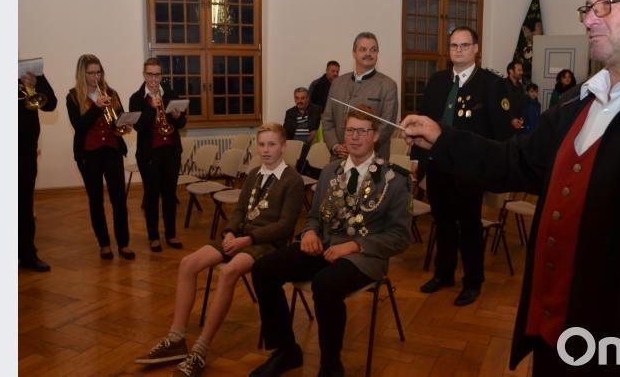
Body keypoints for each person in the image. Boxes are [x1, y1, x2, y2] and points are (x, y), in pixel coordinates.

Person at [402, 0, 620, 376]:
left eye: (606, 4)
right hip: (555, 335)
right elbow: (513, 161)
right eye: (587, 7)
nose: (588, 18)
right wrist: (440, 138)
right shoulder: (578, 101)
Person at [250, 105, 411, 377]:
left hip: (365, 256)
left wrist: (355, 245)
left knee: (325, 285)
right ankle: (286, 350)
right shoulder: (329, 172)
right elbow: (314, 216)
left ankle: (331, 366)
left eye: (362, 131)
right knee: (263, 268)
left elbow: (400, 237)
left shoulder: (394, 180)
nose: (355, 137)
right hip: (324, 246)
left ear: (376, 135)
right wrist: (311, 232)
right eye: (350, 130)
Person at [135, 123, 304, 377]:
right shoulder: (254, 173)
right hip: (241, 237)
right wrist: (229, 232)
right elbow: (238, 212)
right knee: (187, 264)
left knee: (228, 272)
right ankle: (176, 339)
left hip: (267, 244)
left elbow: (285, 226)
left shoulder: (293, 180)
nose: (266, 150)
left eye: (272, 144)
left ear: (283, 147)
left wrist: (247, 239)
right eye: (261, 144)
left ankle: (200, 351)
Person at [411, 26, 512, 306]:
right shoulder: (438, 81)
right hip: (438, 165)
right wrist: (417, 160)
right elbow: (423, 123)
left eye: (465, 45)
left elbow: (500, 134)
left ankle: (473, 281)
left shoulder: (491, 84)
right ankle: (444, 274)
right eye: (454, 45)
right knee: (442, 223)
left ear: (476, 49)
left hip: (470, 169)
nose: (459, 50)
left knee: (469, 226)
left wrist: (489, 167)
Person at [66, 54, 135, 260]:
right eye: (91, 73)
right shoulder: (73, 96)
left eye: (99, 72)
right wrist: (96, 107)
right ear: (82, 74)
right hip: (89, 155)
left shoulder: (111, 93)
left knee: (119, 199)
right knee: (96, 200)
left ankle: (123, 243)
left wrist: (124, 124)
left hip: (112, 150)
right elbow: (79, 126)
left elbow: (117, 119)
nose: (96, 76)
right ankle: (104, 244)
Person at [129, 57, 187, 252]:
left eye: (157, 74)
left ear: (161, 75)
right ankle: (153, 236)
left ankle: (171, 233)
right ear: (144, 75)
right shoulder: (136, 98)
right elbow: (138, 126)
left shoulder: (170, 94)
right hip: (149, 155)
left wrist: (179, 116)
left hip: (171, 152)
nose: (154, 79)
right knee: (152, 196)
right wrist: (150, 108)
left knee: (170, 195)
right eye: (150, 74)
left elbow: (180, 124)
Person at [322, 32, 398, 159]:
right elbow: (327, 120)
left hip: (372, 161)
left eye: (373, 50)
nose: (368, 53)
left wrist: (355, 146)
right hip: (338, 158)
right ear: (354, 53)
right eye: (363, 49)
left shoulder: (388, 85)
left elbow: (386, 126)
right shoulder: (337, 83)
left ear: (377, 54)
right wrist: (335, 146)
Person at [19, 70, 58, 272]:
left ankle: (27, 254)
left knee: (25, 204)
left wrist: (35, 85)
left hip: (24, 150)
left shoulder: (32, 71)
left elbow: (51, 104)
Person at [283, 87, 322, 172]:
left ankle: (299, 173)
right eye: (297, 98)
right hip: (294, 145)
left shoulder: (316, 110)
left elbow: (322, 127)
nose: (299, 101)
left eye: (302, 98)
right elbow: (285, 131)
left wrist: (316, 131)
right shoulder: (290, 112)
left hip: (310, 145)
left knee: (304, 149)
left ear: (308, 98)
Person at [504, 61, 526, 134]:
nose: (521, 72)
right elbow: (502, 105)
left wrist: (522, 118)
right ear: (511, 71)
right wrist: (511, 119)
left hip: (518, 126)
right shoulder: (502, 85)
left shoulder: (521, 87)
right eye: (519, 70)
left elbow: (523, 104)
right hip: (506, 126)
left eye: (522, 70)